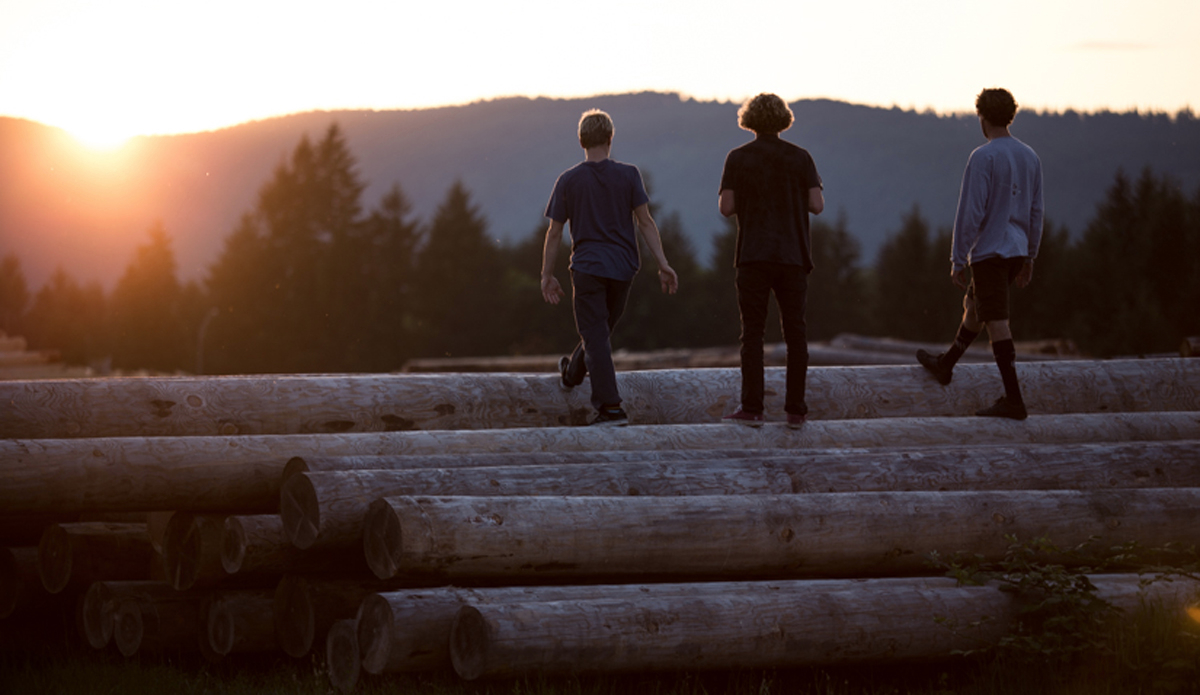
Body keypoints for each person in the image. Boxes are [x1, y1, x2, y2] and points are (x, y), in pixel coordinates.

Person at [541, 109, 678, 426]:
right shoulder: (629, 175)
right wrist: (663, 263)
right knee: (598, 334)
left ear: (581, 141)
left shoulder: (568, 180)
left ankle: (611, 408)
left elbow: (554, 232)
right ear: (609, 138)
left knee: (596, 335)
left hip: (588, 268)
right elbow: (645, 222)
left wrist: (547, 274)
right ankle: (572, 374)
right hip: (623, 268)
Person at [916, 87, 1043, 420]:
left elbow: (970, 212)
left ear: (982, 117)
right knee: (974, 308)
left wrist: (958, 258)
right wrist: (1030, 256)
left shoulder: (983, 157)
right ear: (1010, 116)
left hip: (991, 252)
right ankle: (946, 364)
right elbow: (1036, 211)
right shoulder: (1029, 156)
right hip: (1016, 250)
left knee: (996, 322)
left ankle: (1014, 400)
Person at [717, 93, 824, 428]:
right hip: (793, 256)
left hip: (753, 255)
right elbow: (817, 205)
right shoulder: (801, 157)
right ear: (783, 120)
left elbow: (726, 207)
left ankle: (752, 408)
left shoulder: (737, 157)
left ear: (749, 120)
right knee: (796, 333)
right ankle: (796, 410)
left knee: (753, 334)